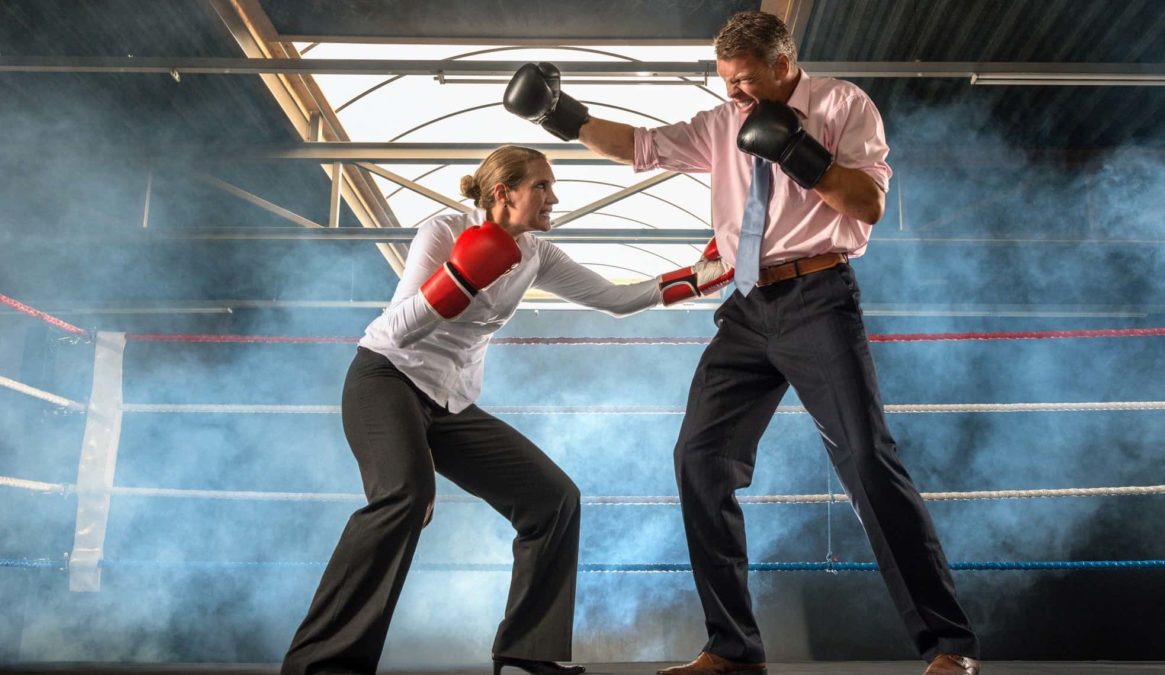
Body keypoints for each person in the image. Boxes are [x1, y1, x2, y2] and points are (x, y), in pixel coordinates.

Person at [503, 11, 981, 675]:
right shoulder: (722, 122)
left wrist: (799, 151)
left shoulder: (843, 103)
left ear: (785, 65)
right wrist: (561, 114)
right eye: (728, 83)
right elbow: (639, 145)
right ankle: (732, 646)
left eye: (748, 82)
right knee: (700, 458)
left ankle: (950, 646)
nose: (738, 97)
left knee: (868, 459)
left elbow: (867, 204)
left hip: (818, 299)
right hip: (747, 309)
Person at [281, 145, 731, 675]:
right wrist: (461, 276)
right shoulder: (443, 230)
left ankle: (526, 649)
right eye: (541, 185)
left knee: (553, 499)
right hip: (385, 377)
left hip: (449, 401)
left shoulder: (537, 254)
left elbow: (616, 299)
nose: (553, 197)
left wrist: (699, 276)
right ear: (504, 192)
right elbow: (400, 328)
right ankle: (321, 663)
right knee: (404, 496)